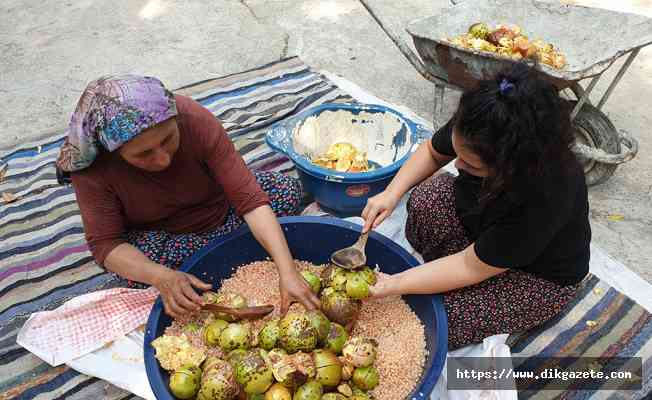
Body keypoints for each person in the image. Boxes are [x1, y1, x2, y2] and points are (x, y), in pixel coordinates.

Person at [362, 64, 590, 350]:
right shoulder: (483, 121)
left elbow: (469, 265)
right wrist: (391, 193)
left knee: (434, 322)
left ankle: (468, 284)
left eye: (470, 165)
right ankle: (455, 269)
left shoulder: (545, 194)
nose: (456, 165)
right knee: (425, 199)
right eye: (459, 155)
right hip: (488, 232)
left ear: (510, 166)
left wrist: (393, 284)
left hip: (536, 276)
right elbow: (433, 151)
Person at [56, 75, 319, 318]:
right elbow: (105, 244)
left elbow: (249, 199)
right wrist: (161, 277)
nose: (163, 159)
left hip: (223, 208)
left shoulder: (193, 118)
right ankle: (231, 248)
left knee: (285, 191)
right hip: (165, 237)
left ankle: (226, 249)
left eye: (168, 139)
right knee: (140, 273)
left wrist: (288, 271)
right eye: (144, 154)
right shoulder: (93, 168)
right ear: (115, 152)